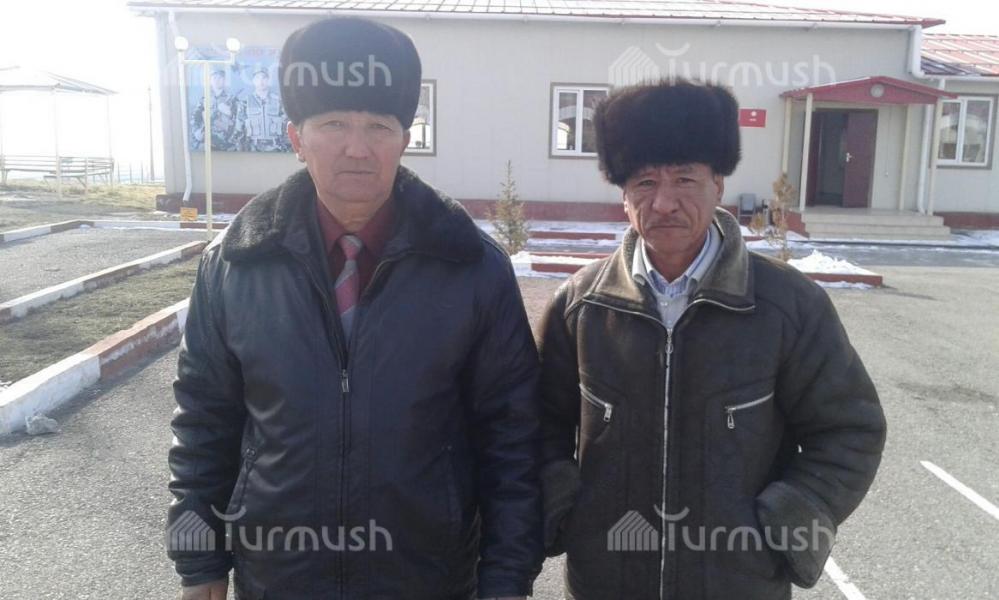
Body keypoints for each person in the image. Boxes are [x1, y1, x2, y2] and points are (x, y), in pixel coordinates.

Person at [167, 16, 543, 600]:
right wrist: (199, 564)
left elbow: (512, 438)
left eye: (379, 126)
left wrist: (507, 581)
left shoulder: (471, 269)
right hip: (279, 578)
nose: (358, 148)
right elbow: (204, 422)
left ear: (405, 138)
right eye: (334, 123)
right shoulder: (237, 266)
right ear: (296, 138)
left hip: (427, 580)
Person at [537, 79, 887, 600]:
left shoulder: (786, 306)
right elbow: (535, 425)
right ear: (623, 194)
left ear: (718, 185)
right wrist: (567, 511)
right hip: (605, 583)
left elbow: (849, 428)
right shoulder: (581, 307)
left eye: (685, 179)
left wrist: (786, 522)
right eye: (644, 182)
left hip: (740, 584)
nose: (664, 202)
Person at [191, 69, 243, 151]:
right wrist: (196, 132)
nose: (217, 80)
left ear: (224, 80)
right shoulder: (204, 99)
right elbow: (195, 118)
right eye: (214, 78)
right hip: (207, 142)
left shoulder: (232, 99)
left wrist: (230, 113)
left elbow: (240, 120)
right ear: (210, 81)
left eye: (220, 78)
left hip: (226, 143)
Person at [242, 66, 289, 152]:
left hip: (276, 148)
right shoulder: (246, 101)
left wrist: (286, 148)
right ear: (253, 81)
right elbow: (239, 127)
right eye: (257, 78)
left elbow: (287, 125)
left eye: (264, 78)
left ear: (268, 80)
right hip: (252, 148)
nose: (261, 81)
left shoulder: (278, 100)